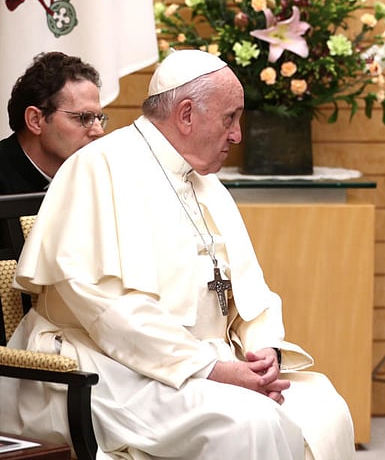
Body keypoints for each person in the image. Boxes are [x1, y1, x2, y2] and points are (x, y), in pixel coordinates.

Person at [0, 50, 355, 459]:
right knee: (247, 423)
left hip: (205, 362)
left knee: (325, 409)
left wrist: (264, 353)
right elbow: (105, 310)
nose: (238, 135)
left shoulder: (205, 182)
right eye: (230, 118)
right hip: (105, 365)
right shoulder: (97, 168)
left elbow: (250, 291)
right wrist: (213, 370)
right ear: (186, 115)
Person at [0, 51, 105, 194]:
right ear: (35, 120)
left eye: (99, 118)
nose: (99, 131)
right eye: (84, 117)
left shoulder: (96, 177)